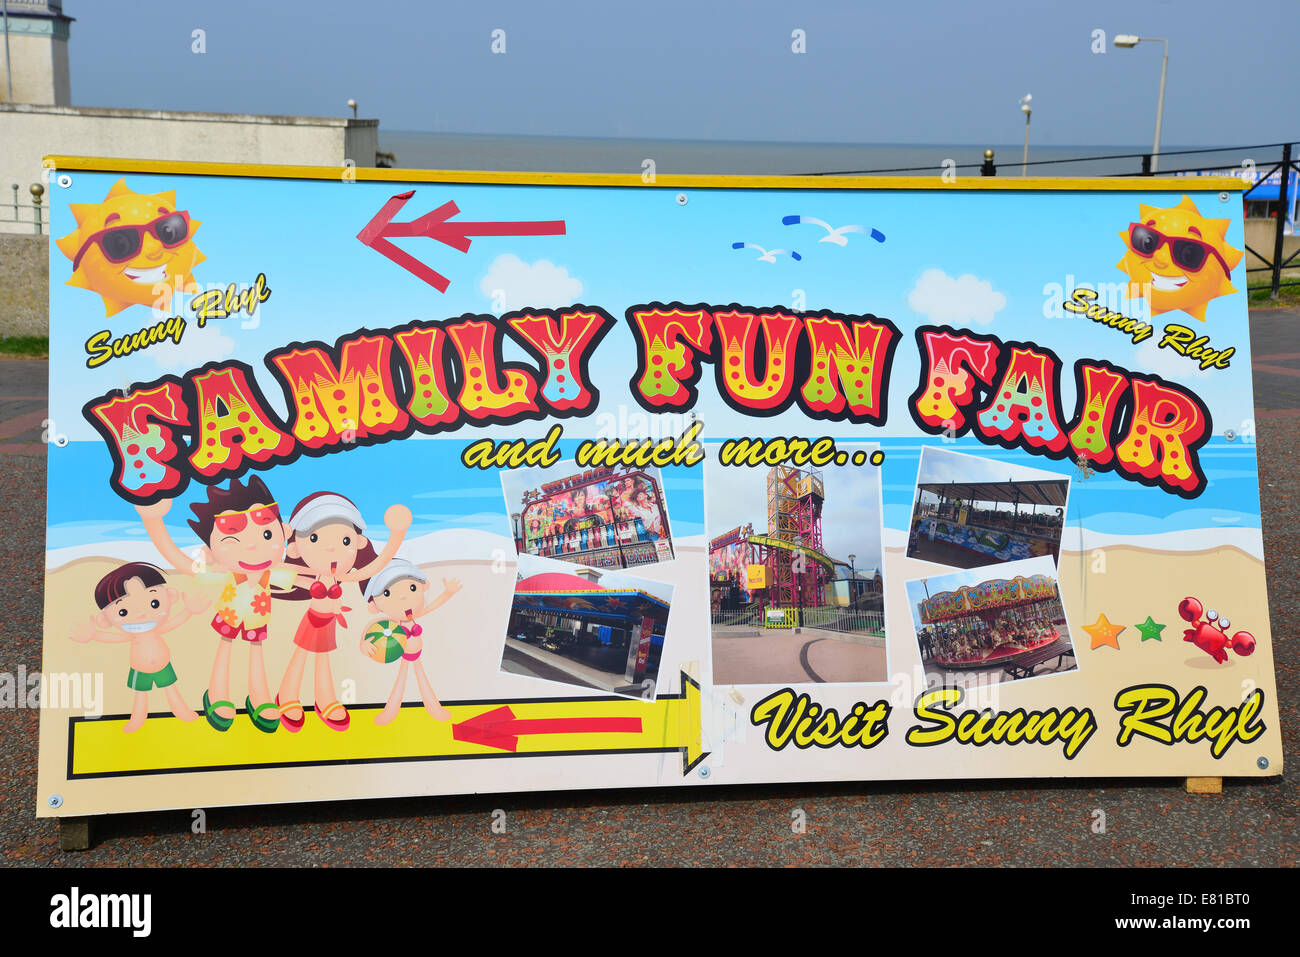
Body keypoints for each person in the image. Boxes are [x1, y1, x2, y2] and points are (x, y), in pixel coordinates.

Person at [136, 476, 310, 733]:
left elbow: (302, 578)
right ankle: (217, 694)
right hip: (229, 616)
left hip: (257, 620)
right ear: (208, 549)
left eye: (266, 534)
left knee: (256, 652)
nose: (252, 546)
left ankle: (259, 697)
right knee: (225, 650)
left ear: (283, 531)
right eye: (232, 540)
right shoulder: (224, 573)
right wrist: (153, 522)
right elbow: (183, 562)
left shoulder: (269, 573)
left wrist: (326, 583)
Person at [275, 492, 412, 732]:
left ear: (358, 543)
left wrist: (397, 535)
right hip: (313, 621)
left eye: (345, 541)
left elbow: (376, 565)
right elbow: (275, 567)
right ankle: (286, 696)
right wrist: (279, 539)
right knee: (301, 656)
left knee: (322, 659)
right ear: (296, 548)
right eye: (315, 538)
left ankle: (324, 700)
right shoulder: (309, 575)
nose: (331, 548)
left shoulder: (343, 575)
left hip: (329, 622)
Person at [71, 562, 209, 732]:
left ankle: (182, 711)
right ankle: (137, 719)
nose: (141, 613)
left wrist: (189, 611)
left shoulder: (156, 629)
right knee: (141, 695)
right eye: (123, 612)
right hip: (140, 669)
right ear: (104, 620)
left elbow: (174, 622)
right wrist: (93, 635)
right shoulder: (131, 635)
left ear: (170, 596)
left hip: (163, 666)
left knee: (171, 689)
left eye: (154, 603)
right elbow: (113, 638)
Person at [361, 559, 462, 724]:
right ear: (374, 605)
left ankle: (434, 709)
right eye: (387, 593)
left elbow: (434, 605)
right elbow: (372, 626)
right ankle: (390, 712)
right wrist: (363, 644)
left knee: (422, 679)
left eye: (412, 587)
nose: (403, 596)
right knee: (400, 681)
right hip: (402, 652)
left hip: (417, 653)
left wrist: (448, 593)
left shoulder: (416, 613)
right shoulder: (392, 622)